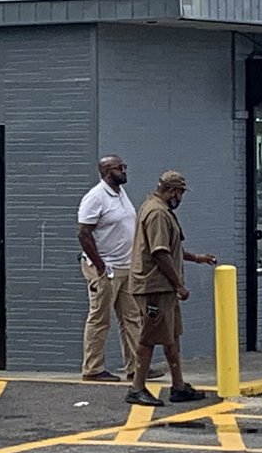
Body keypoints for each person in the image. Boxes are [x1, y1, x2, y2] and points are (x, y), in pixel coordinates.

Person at [125, 171, 218, 406]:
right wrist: (179, 285)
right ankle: (137, 388)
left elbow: (170, 249)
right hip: (153, 287)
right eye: (181, 193)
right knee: (148, 337)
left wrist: (196, 258)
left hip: (162, 287)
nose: (181, 198)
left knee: (172, 337)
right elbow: (160, 253)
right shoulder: (157, 213)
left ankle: (178, 385)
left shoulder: (157, 208)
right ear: (172, 191)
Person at [76, 155, 162, 382]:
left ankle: (136, 367)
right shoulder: (95, 197)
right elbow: (84, 233)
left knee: (132, 317)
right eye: (119, 168)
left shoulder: (120, 193)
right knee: (100, 318)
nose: (124, 171)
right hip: (106, 268)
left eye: (125, 166)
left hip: (126, 267)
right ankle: (93, 369)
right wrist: (101, 266)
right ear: (106, 172)